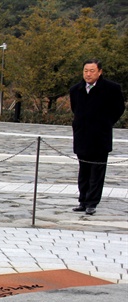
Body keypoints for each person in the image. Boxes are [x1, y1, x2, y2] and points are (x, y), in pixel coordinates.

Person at [69, 59, 125, 216]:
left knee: (97, 171)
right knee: (83, 170)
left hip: (100, 136)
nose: (88, 74)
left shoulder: (112, 88)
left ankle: (92, 202)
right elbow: (75, 109)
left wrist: (106, 122)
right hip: (82, 136)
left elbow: (119, 108)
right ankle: (83, 200)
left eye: (92, 71)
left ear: (100, 72)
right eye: (86, 70)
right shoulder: (76, 89)